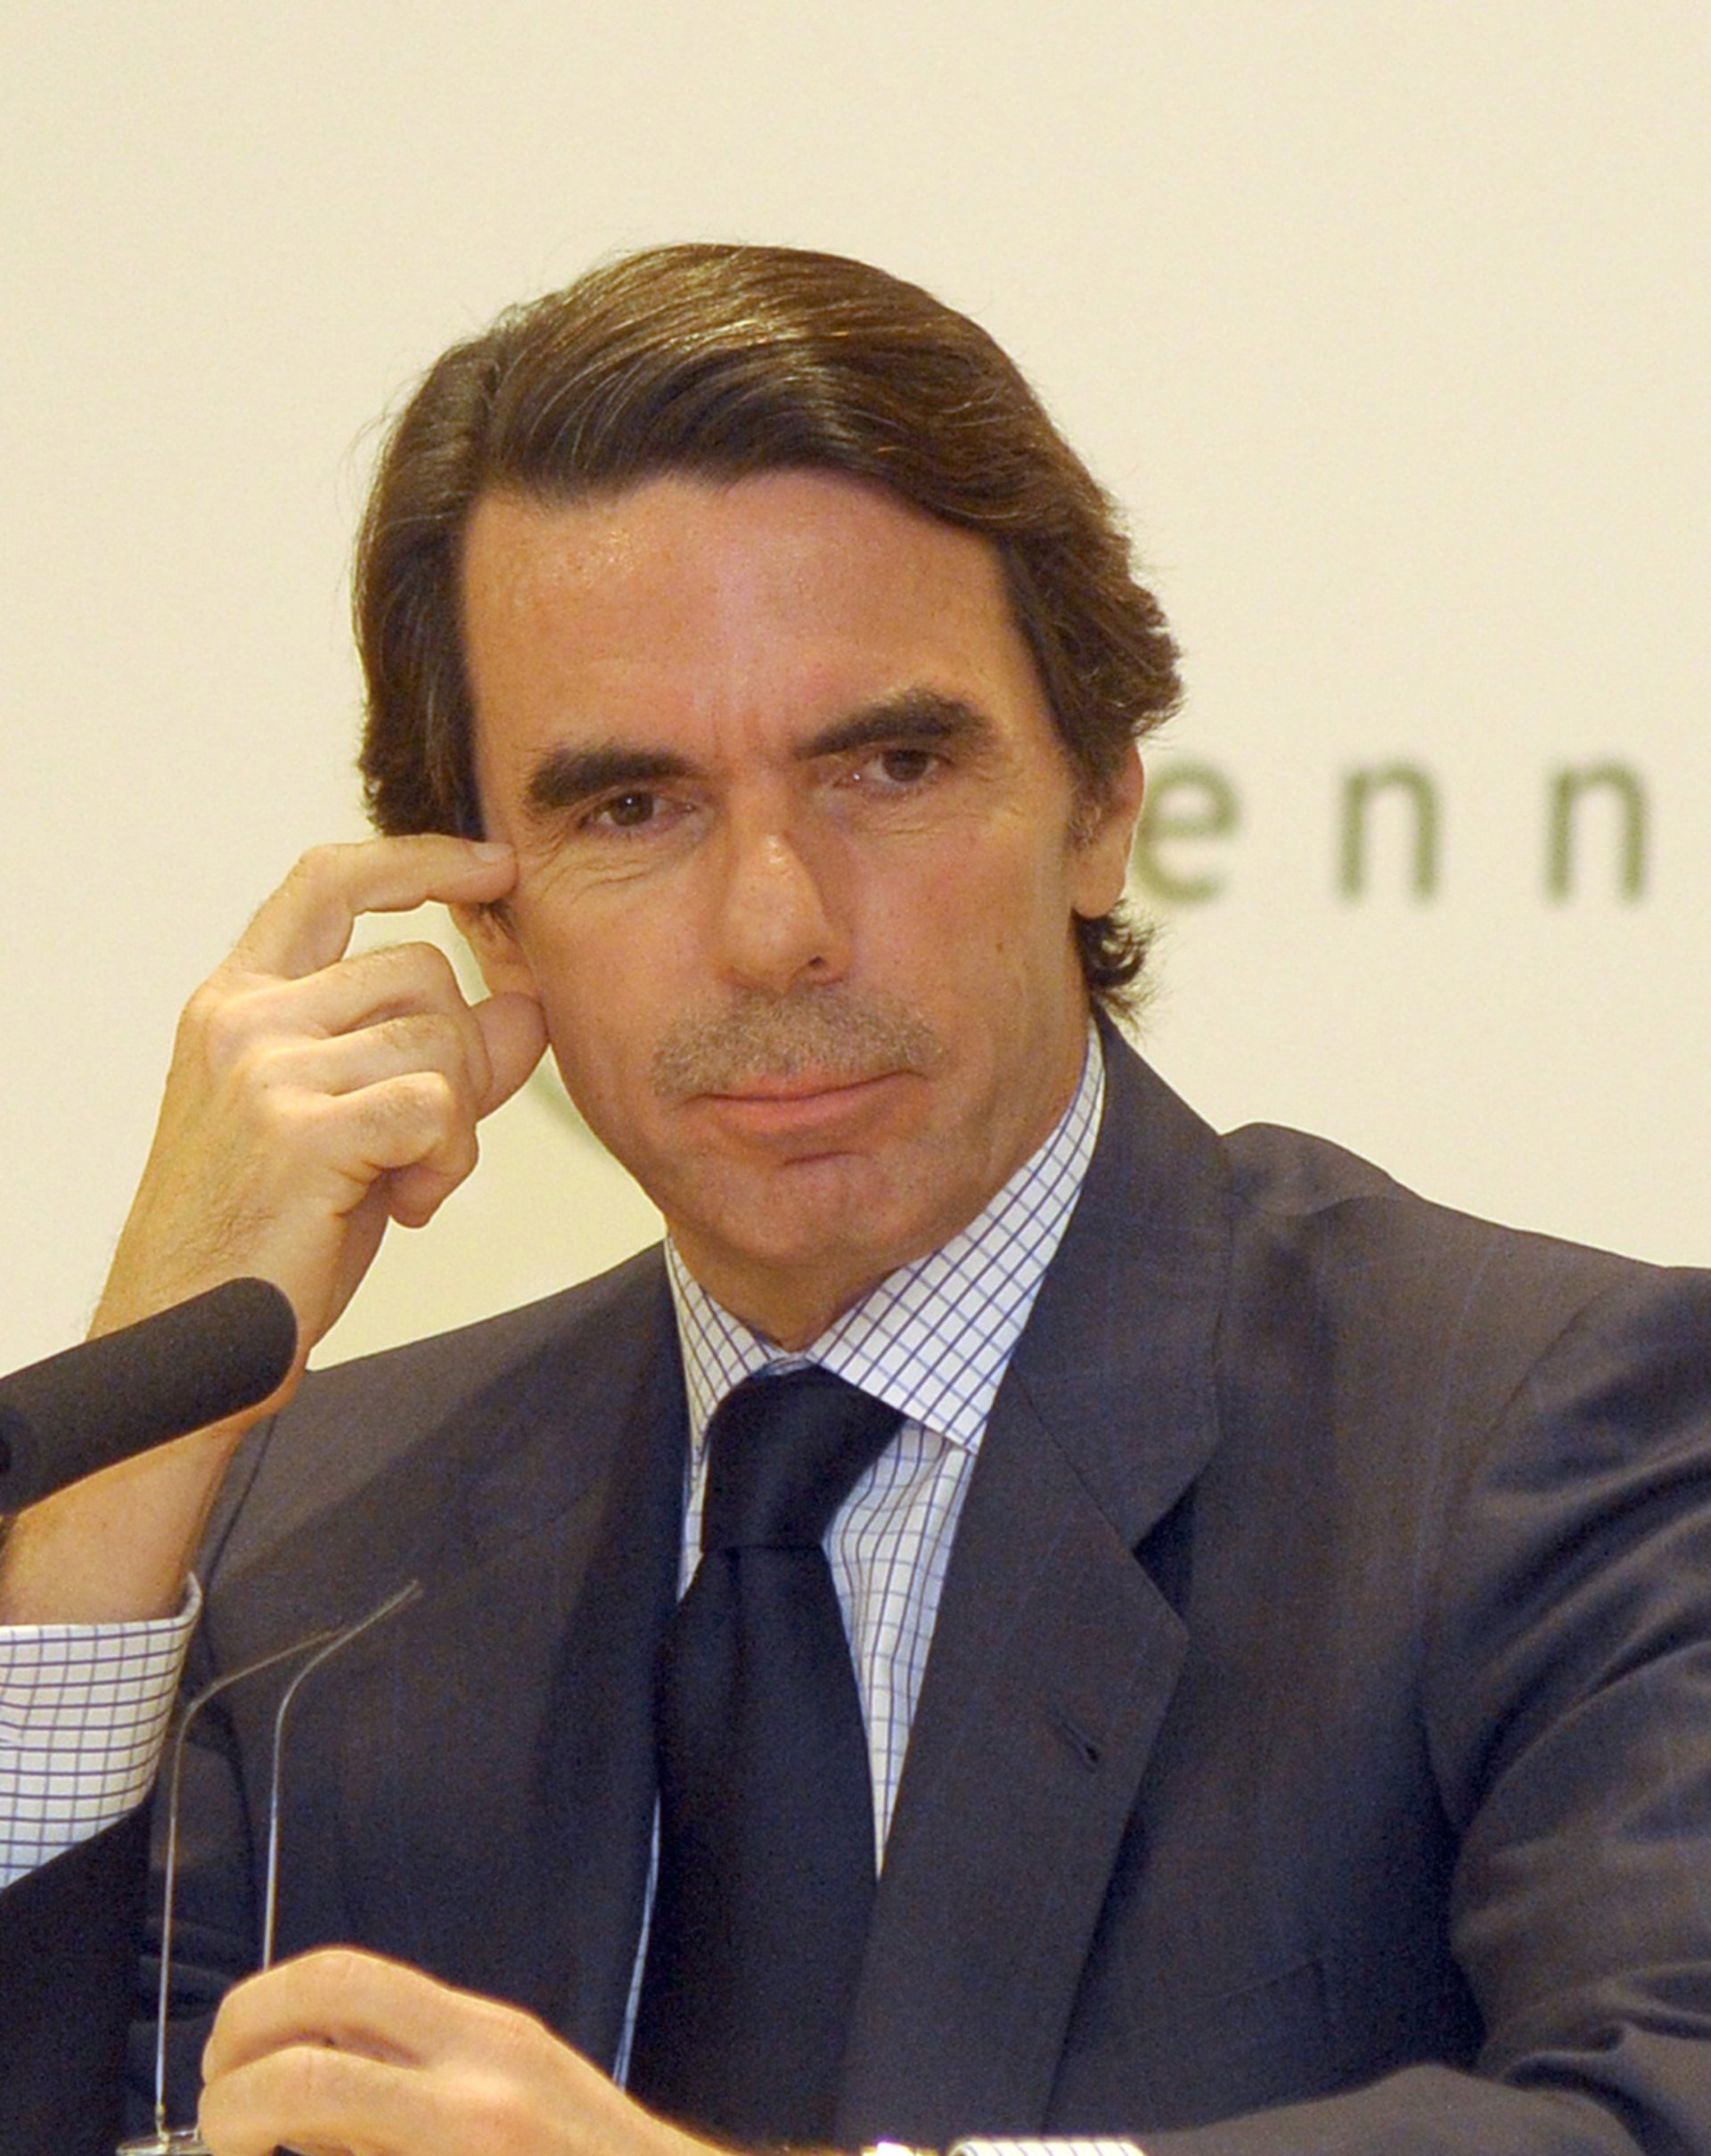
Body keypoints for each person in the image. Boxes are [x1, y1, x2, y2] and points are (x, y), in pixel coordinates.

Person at [3, 242, 1711, 2156]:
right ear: (489, 914)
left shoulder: (1548, 1430)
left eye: (888, 767)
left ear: (1102, 801)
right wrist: (125, 1460)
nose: (776, 926)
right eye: (631, 809)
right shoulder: (316, 1539)